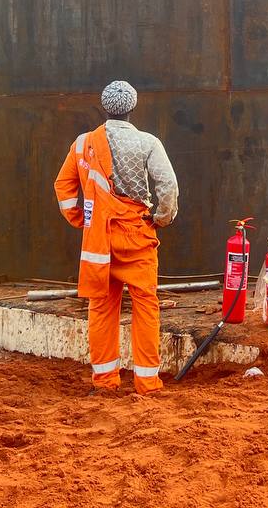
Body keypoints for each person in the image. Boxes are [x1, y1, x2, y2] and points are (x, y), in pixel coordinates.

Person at [53, 80, 179, 394]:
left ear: (105, 107)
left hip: (99, 240)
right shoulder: (147, 142)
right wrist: (161, 218)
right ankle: (147, 382)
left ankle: (105, 380)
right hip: (137, 236)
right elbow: (168, 186)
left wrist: (82, 219)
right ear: (131, 107)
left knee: (102, 306)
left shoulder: (83, 144)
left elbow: (63, 186)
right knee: (145, 306)